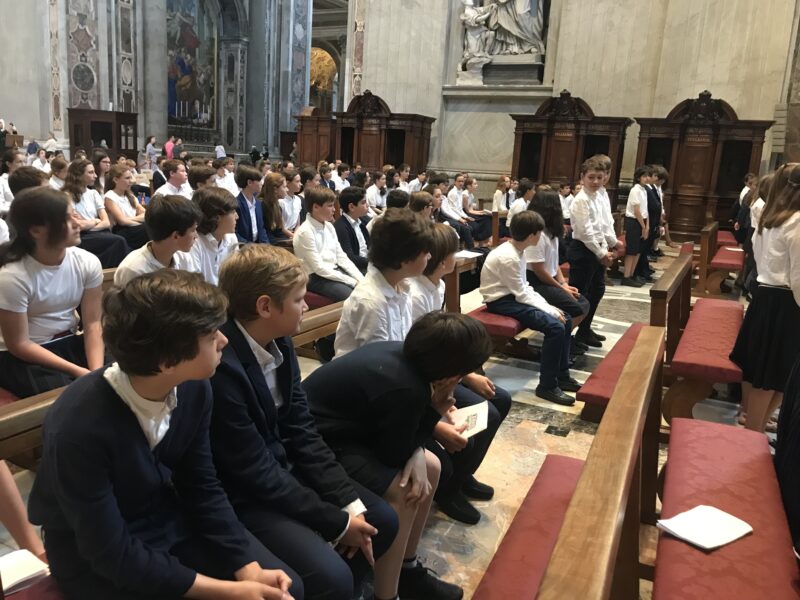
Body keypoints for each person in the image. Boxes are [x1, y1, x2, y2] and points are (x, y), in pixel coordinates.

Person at [28, 269, 298, 600]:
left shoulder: (194, 387)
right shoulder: (78, 426)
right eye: (211, 335)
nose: (224, 340)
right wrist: (229, 591)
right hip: (90, 556)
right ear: (168, 360)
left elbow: (201, 485)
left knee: (285, 589)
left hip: (162, 518)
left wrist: (246, 566)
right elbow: (110, 552)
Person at [210, 245, 398, 600]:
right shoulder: (222, 367)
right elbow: (253, 470)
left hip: (282, 468)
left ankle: (354, 588)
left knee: (381, 520)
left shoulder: (279, 339)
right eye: (299, 299)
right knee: (331, 575)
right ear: (265, 307)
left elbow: (301, 428)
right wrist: (336, 522)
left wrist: (347, 504)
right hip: (246, 493)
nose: (307, 306)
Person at [304, 312, 491, 600]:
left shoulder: (409, 361)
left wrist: (418, 447)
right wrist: (435, 412)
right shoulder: (406, 387)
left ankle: (407, 569)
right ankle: (387, 595)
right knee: (406, 490)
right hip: (319, 441)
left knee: (431, 466)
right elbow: (392, 454)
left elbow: (402, 434)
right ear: (452, 374)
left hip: (353, 430)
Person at [408, 224, 512, 524]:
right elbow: (422, 350)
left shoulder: (437, 285)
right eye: (454, 252)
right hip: (425, 374)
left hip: (441, 368)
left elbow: (445, 343)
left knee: (501, 399)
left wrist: (466, 373)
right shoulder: (415, 294)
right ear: (442, 260)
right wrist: (462, 378)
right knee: (486, 412)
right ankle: (449, 490)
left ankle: (464, 475)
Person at [0, 188, 104, 398]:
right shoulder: (13, 277)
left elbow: (93, 324)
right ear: (36, 231)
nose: (78, 223)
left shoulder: (87, 262)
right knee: (70, 395)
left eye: (74, 215)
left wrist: (96, 371)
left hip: (69, 340)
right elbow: (19, 344)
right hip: (26, 353)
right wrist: (78, 372)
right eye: (66, 219)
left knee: (125, 372)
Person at [481, 210, 581, 406]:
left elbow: (525, 287)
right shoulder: (508, 256)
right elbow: (522, 294)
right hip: (501, 301)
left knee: (566, 318)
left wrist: (549, 307)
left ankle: (562, 375)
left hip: (513, 296)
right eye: (539, 232)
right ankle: (547, 385)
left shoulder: (518, 250)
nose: (541, 236)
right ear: (532, 235)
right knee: (555, 327)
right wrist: (549, 309)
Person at [730, 163, 800, 433]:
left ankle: (755, 425)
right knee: (772, 373)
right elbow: (797, 277)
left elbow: (759, 258)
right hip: (786, 301)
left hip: (767, 295)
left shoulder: (772, 218)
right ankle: (753, 431)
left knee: (769, 370)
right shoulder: (796, 221)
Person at [333, 208, 434, 358]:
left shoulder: (402, 285)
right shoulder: (371, 302)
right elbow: (378, 363)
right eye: (425, 253)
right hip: (368, 371)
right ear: (405, 259)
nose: (430, 256)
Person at [567, 157, 622, 348]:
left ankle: (584, 329)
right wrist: (601, 253)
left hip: (597, 248)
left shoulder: (598, 196)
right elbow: (585, 232)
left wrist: (612, 243)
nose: (596, 181)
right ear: (582, 177)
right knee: (579, 294)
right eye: (591, 177)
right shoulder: (581, 200)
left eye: (599, 177)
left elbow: (604, 224)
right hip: (583, 250)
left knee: (597, 289)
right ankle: (567, 335)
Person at [526, 189, 590, 347]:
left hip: (548, 280)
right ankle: (560, 342)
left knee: (583, 303)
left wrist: (564, 284)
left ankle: (563, 339)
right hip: (534, 283)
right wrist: (561, 289)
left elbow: (554, 263)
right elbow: (539, 270)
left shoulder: (551, 232)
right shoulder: (537, 235)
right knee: (577, 308)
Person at [293, 186, 364, 301]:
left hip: (333, 270)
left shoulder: (329, 226)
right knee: (354, 298)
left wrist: (360, 279)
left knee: (367, 286)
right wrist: (352, 281)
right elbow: (319, 268)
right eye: (330, 206)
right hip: (315, 277)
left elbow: (341, 257)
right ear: (316, 207)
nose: (334, 210)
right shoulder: (305, 232)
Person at [114, 194, 200, 286]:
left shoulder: (184, 258)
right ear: (176, 236)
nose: (196, 236)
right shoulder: (133, 270)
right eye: (193, 230)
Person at [62, 159, 130, 268]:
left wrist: (88, 224)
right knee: (118, 241)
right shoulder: (66, 195)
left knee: (117, 241)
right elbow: (78, 225)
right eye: (90, 172)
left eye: (94, 172)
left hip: (96, 231)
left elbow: (106, 222)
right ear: (78, 175)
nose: (95, 175)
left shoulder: (93, 193)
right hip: (80, 236)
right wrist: (95, 220)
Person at [104, 163, 149, 250]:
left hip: (133, 226)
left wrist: (129, 219)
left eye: (130, 178)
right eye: (127, 178)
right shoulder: (110, 196)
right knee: (149, 228)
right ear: (116, 180)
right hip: (121, 230)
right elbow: (122, 222)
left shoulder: (130, 195)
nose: (131, 181)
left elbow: (146, 214)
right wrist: (138, 222)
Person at [622, 165, 652, 287]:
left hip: (642, 221)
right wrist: (643, 227)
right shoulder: (635, 190)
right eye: (644, 176)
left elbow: (646, 210)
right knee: (632, 250)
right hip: (634, 222)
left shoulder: (644, 190)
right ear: (638, 177)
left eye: (648, 176)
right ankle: (626, 276)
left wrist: (647, 226)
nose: (647, 178)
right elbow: (637, 211)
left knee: (639, 250)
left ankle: (632, 274)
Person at [334, 186, 371, 274]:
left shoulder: (363, 220)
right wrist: (373, 263)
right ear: (351, 207)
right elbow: (350, 257)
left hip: (368, 262)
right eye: (363, 203)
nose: (367, 205)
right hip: (357, 268)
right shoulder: (340, 227)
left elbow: (370, 245)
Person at [234, 165, 270, 244]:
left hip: (258, 244)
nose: (262, 183)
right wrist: (250, 246)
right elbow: (234, 232)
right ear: (249, 182)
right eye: (259, 180)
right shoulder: (236, 204)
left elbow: (261, 228)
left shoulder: (258, 203)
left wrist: (266, 245)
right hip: (243, 245)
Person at [261, 172, 293, 242]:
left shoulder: (277, 205)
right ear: (275, 189)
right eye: (284, 187)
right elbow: (267, 234)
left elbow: (279, 231)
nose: (287, 190)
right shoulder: (262, 206)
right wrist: (286, 242)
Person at [0, 148, 24, 214]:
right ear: (8, 164)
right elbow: (1, 206)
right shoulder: (1, 181)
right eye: (19, 162)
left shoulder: (26, 179)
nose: (23, 165)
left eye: (24, 162)